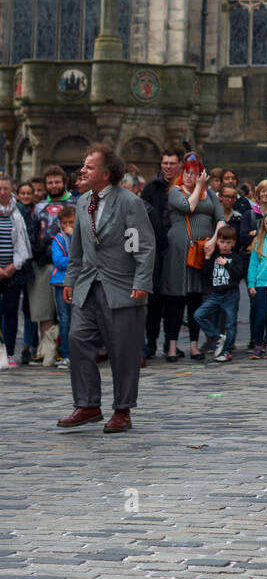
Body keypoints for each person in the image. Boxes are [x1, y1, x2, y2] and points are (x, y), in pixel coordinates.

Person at [58, 145, 155, 433]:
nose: (82, 171)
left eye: (89, 167)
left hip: (121, 287)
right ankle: (88, 404)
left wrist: (141, 282)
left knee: (122, 351)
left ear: (106, 173)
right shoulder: (82, 201)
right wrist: (70, 279)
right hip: (87, 284)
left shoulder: (129, 203)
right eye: (83, 166)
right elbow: (77, 248)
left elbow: (142, 245)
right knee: (77, 339)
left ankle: (122, 410)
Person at [163, 154, 222, 362]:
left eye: (195, 173)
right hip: (178, 252)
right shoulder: (175, 191)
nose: (190, 177)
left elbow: (221, 219)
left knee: (196, 299)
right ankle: (171, 347)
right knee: (176, 299)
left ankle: (194, 346)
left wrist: (213, 240)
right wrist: (198, 186)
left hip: (200, 251)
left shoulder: (211, 195)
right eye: (187, 173)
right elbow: (189, 207)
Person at [30, 165, 73, 361]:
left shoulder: (75, 202)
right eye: (50, 183)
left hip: (69, 266)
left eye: (57, 182)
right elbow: (32, 233)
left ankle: (68, 351)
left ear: (64, 183)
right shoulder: (38, 207)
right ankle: (47, 350)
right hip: (43, 264)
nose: (54, 186)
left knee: (67, 313)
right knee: (45, 310)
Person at [142, 150, 180, 359]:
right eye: (165, 163)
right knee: (154, 299)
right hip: (155, 248)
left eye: (172, 163)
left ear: (179, 165)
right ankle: (151, 342)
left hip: (176, 248)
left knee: (174, 298)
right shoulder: (150, 188)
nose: (168, 167)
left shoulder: (183, 187)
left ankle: (170, 342)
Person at [194, 226, 247, 362]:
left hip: (231, 294)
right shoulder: (214, 257)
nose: (225, 245)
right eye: (222, 242)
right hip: (215, 294)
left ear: (233, 243)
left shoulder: (236, 258)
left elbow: (239, 275)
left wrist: (226, 265)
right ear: (217, 242)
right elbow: (205, 274)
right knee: (199, 314)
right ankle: (217, 337)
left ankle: (227, 351)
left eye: (228, 242)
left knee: (230, 324)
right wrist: (206, 257)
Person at [0, 172, 33, 367]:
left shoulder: (19, 210)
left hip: (14, 270)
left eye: (5, 188)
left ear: (12, 188)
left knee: (11, 312)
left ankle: (10, 353)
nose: (2, 192)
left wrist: (14, 265)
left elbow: (26, 238)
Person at [49, 205, 77, 368]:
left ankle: (80, 353)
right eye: (65, 222)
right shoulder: (58, 239)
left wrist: (73, 238)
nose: (68, 226)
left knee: (80, 319)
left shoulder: (80, 236)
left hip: (78, 282)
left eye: (72, 222)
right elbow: (58, 261)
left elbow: (84, 255)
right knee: (65, 319)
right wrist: (74, 262)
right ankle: (67, 353)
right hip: (61, 282)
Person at [247, 210, 267, 358]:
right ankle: (257, 344)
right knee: (260, 315)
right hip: (261, 284)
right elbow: (253, 265)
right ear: (263, 225)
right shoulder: (259, 242)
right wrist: (251, 284)